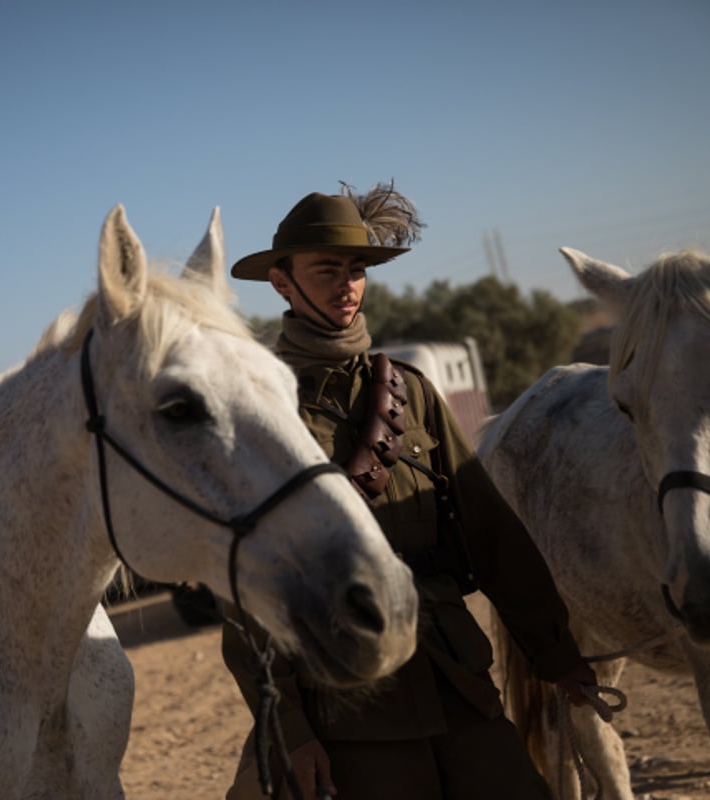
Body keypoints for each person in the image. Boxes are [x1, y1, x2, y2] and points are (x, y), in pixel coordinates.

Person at [221, 184, 597, 800]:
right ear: (282, 283)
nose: (347, 285)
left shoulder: (410, 392)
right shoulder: (258, 413)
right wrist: (289, 727)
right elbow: (243, 591)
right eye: (326, 270)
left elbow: (491, 531)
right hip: (350, 709)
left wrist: (557, 654)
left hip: (456, 682)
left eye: (356, 270)